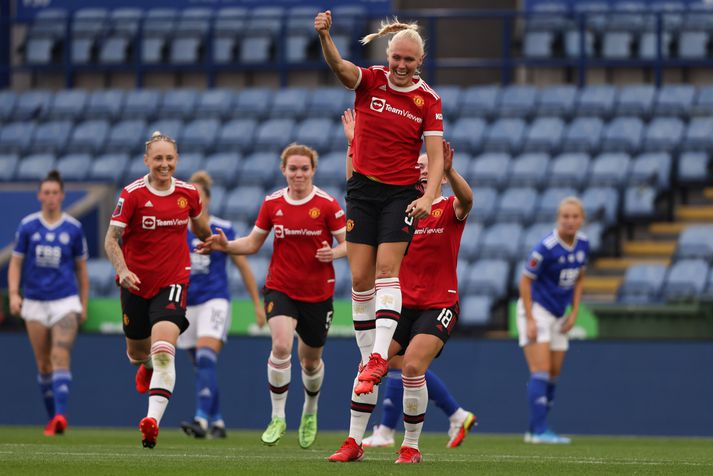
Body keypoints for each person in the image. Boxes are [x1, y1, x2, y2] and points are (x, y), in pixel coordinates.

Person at [316, 10, 446, 461]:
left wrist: (429, 196)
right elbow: (338, 68)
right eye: (398, 58)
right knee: (360, 281)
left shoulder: (428, 100)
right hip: (362, 190)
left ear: (420, 60)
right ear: (388, 55)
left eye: (410, 60)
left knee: (388, 270)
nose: (403, 65)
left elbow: (435, 155)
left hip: (399, 194)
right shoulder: (369, 81)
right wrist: (326, 36)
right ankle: (357, 423)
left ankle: (376, 359)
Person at [332, 115, 472, 463]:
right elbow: (358, 185)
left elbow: (467, 201)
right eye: (418, 165)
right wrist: (354, 144)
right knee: (368, 365)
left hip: (438, 303)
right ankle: (353, 442)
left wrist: (450, 172)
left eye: (429, 164)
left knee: (411, 367)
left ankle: (410, 446)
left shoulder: (445, 208)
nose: (423, 170)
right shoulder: (400, 210)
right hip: (401, 306)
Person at [197, 143, 347, 449]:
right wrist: (224, 245)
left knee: (310, 362)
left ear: (313, 170)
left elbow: (351, 244)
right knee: (281, 346)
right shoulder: (272, 203)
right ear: (284, 170)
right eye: (293, 168)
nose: (298, 174)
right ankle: (278, 416)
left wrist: (334, 252)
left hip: (318, 294)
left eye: (304, 168)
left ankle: (310, 409)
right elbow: (253, 243)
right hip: (281, 287)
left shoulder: (328, 204)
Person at [104, 131, 212, 449]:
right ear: (147, 161)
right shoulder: (132, 195)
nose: (164, 165)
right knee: (138, 353)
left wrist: (212, 240)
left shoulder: (189, 193)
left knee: (164, 350)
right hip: (135, 284)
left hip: (174, 281)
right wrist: (122, 270)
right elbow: (111, 238)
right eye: (158, 159)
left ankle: (152, 421)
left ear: (176, 160)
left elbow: (200, 225)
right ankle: (145, 367)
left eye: (169, 159)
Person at [178, 170, 266, 440]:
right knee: (200, 365)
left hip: (214, 301)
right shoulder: (178, 231)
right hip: (186, 305)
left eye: (199, 197)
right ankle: (217, 420)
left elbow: (243, 266)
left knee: (205, 357)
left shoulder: (222, 229)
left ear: (207, 200)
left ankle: (202, 420)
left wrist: (256, 303)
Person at [8, 170, 89, 437]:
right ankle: (52, 418)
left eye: (56, 193)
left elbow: (81, 270)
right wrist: (13, 294)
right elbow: (16, 262)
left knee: (60, 356)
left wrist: (83, 303)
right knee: (43, 364)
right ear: (40, 195)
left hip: (65, 300)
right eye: (47, 192)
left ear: (62, 196)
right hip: (35, 301)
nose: (51, 197)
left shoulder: (74, 228)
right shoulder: (28, 226)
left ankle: (61, 416)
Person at [517, 197, 589, 445]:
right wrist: (529, 319)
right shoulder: (546, 247)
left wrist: (575, 312)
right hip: (537, 309)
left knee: (554, 373)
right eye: (565, 216)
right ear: (559, 218)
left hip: (559, 313)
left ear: (582, 219)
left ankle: (535, 428)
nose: (570, 221)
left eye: (575, 216)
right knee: (541, 370)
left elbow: (579, 278)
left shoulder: (583, 244)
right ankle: (539, 432)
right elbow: (525, 282)